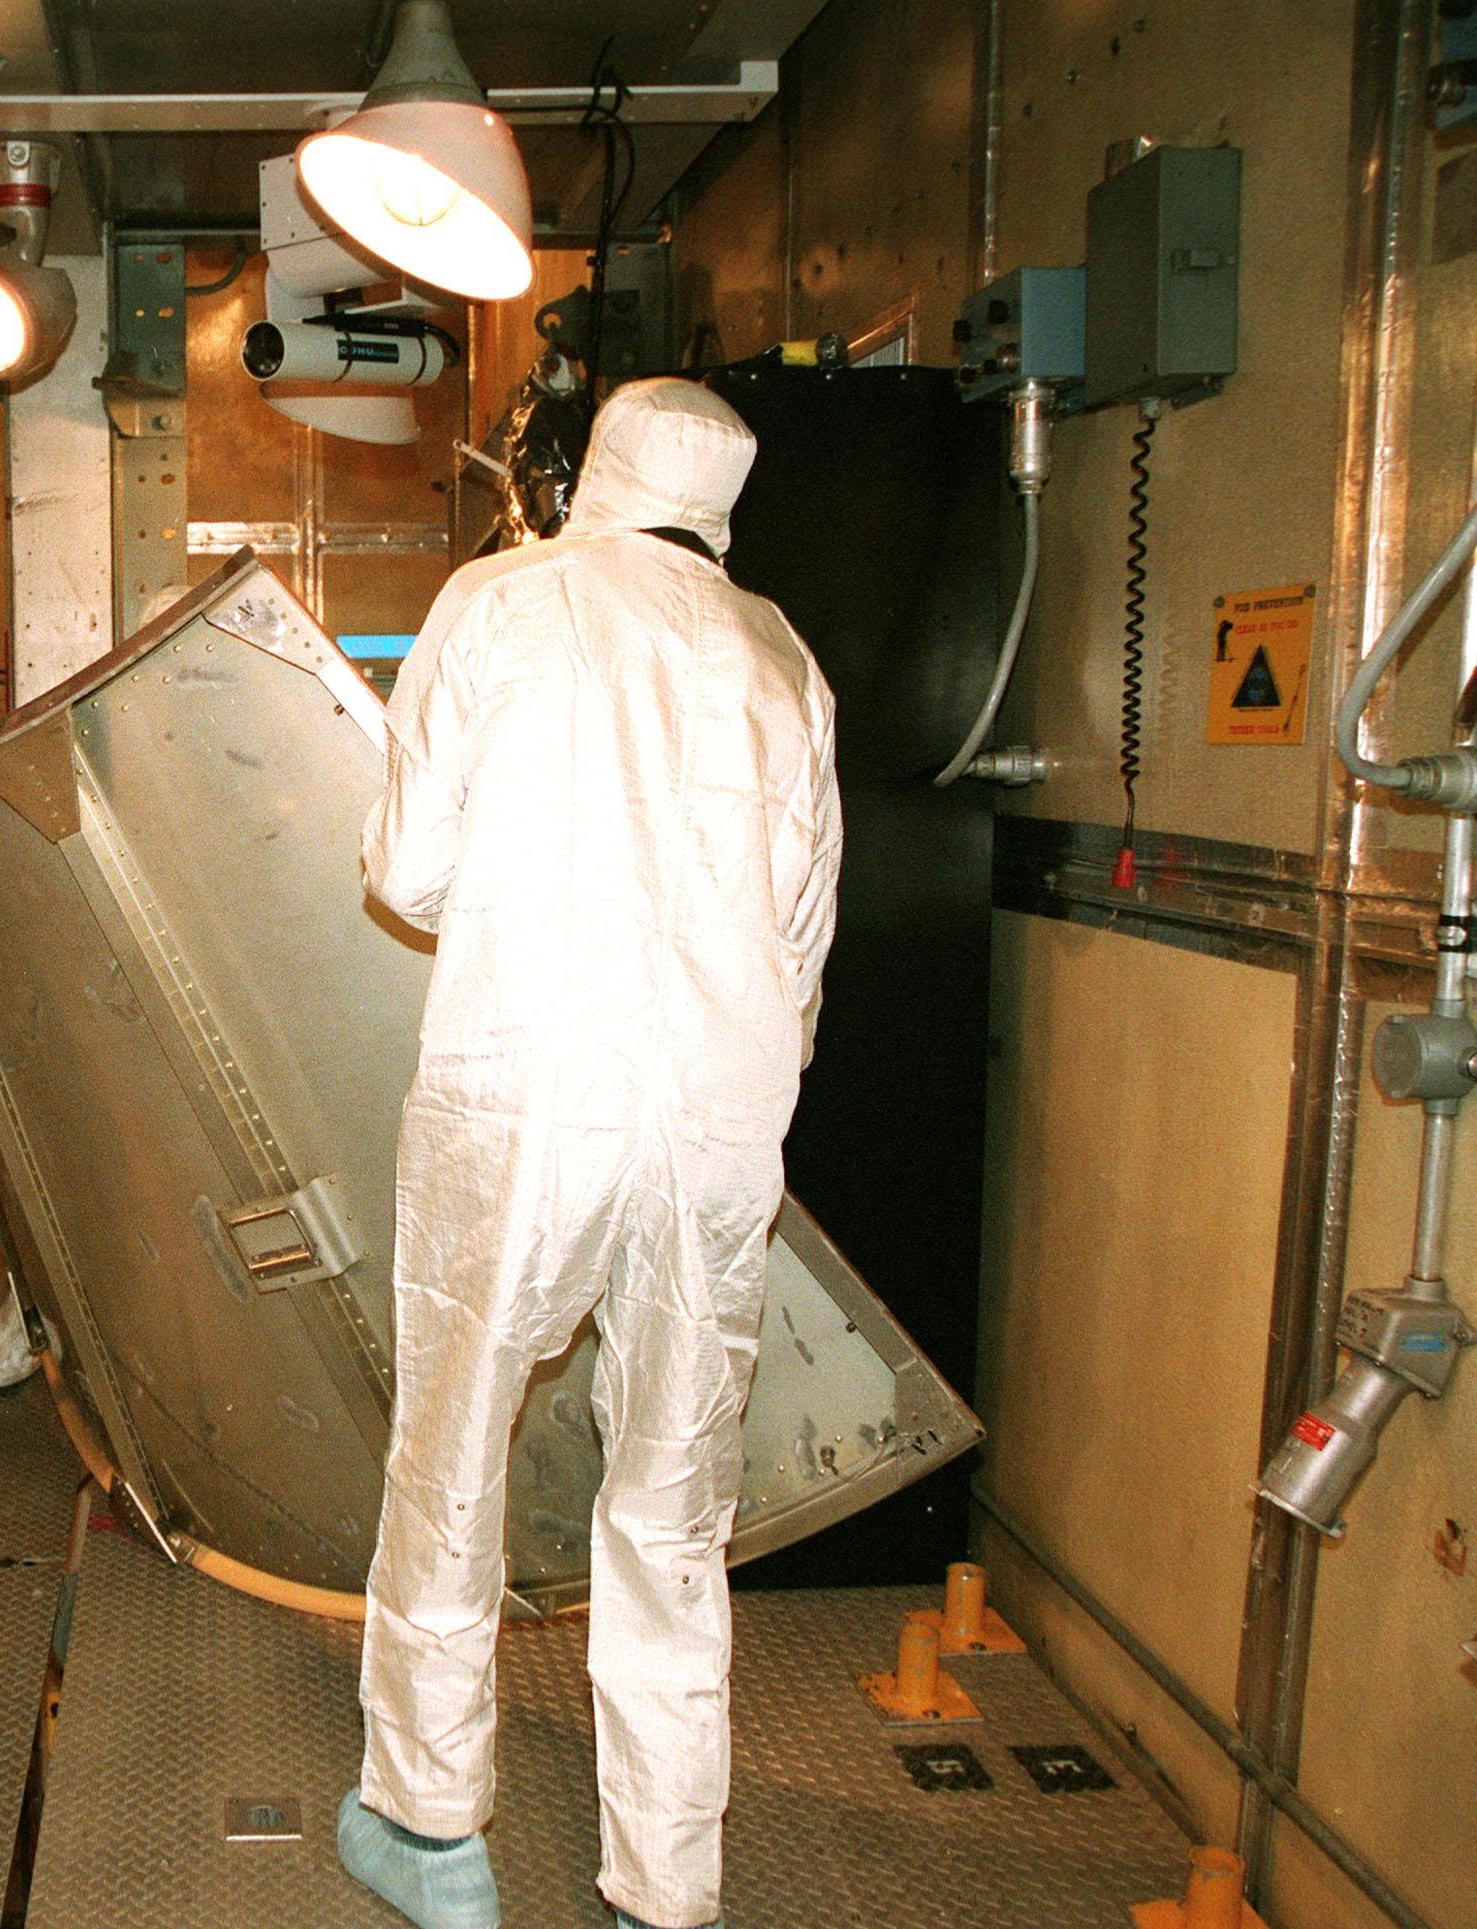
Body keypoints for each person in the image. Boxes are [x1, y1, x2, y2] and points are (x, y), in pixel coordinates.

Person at [338, 378, 841, 1929]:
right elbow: (805, 931)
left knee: (456, 1439)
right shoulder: (781, 657)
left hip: (530, 1094)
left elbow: (409, 870)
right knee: (673, 1496)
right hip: (719, 1120)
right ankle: (664, 1885)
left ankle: (431, 1829)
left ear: (591, 472)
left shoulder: (499, 601)